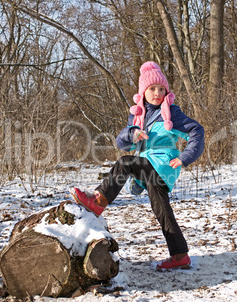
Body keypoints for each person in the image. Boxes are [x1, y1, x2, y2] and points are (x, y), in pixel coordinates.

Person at [71, 61, 204, 270]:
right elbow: (121, 142)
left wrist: (186, 157)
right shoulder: (138, 115)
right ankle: (180, 255)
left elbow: (197, 131)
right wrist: (131, 134)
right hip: (150, 167)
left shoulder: (171, 112)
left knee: (125, 163)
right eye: (152, 89)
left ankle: (99, 200)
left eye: (162, 89)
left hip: (162, 164)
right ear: (143, 91)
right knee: (162, 210)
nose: (157, 93)